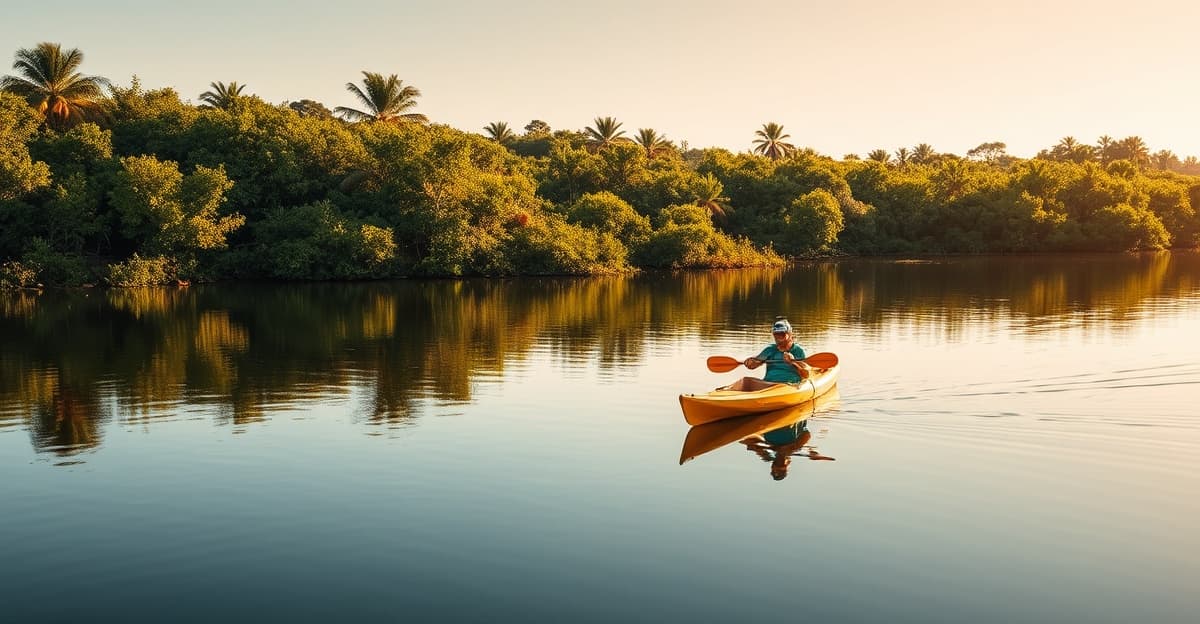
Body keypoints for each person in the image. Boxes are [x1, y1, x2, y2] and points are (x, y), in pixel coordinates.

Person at [741, 419, 835, 481]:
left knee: (760, 437)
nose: (779, 462)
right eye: (781, 465)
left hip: (773, 429)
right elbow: (807, 436)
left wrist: (761, 448)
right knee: (796, 438)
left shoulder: (767, 455)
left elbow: (745, 441)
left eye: (776, 464)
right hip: (790, 430)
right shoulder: (797, 451)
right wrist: (793, 447)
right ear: (786, 466)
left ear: (772, 465)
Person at [743, 318, 809, 383]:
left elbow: (806, 375)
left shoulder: (798, 351)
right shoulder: (770, 349)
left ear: (790, 334)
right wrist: (751, 361)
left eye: (782, 333)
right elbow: (753, 364)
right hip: (768, 384)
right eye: (776, 334)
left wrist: (793, 362)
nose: (779, 337)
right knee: (746, 380)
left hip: (789, 385)